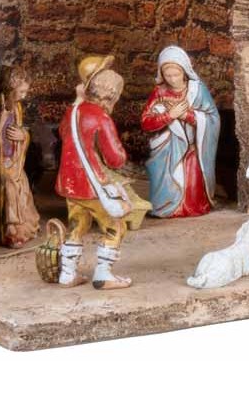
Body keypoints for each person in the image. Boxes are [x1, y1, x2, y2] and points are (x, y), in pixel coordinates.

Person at [54, 55, 149, 290]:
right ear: (111, 95)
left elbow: (62, 133)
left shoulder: (73, 111)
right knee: (116, 225)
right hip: (92, 185)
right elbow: (115, 158)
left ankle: (67, 274)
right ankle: (103, 274)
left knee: (77, 224)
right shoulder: (101, 117)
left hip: (69, 182)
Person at [140, 46, 220, 218]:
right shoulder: (159, 92)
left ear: (184, 72)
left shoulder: (197, 90)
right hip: (166, 149)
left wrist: (187, 115)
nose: (172, 79)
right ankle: (167, 207)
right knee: (163, 174)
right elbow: (145, 122)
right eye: (167, 75)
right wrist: (169, 116)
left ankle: (191, 206)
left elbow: (213, 118)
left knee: (191, 175)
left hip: (191, 147)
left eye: (176, 75)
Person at [0, 65, 40, 247]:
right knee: (9, 187)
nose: (24, 96)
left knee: (23, 185)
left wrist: (23, 136)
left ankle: (24, 227)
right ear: (10, 89)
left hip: (14, 160)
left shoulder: (17, 107)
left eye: (26, 91)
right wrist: (2, 120)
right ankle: (10, 230)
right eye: (21, 92)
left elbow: (20, 131)